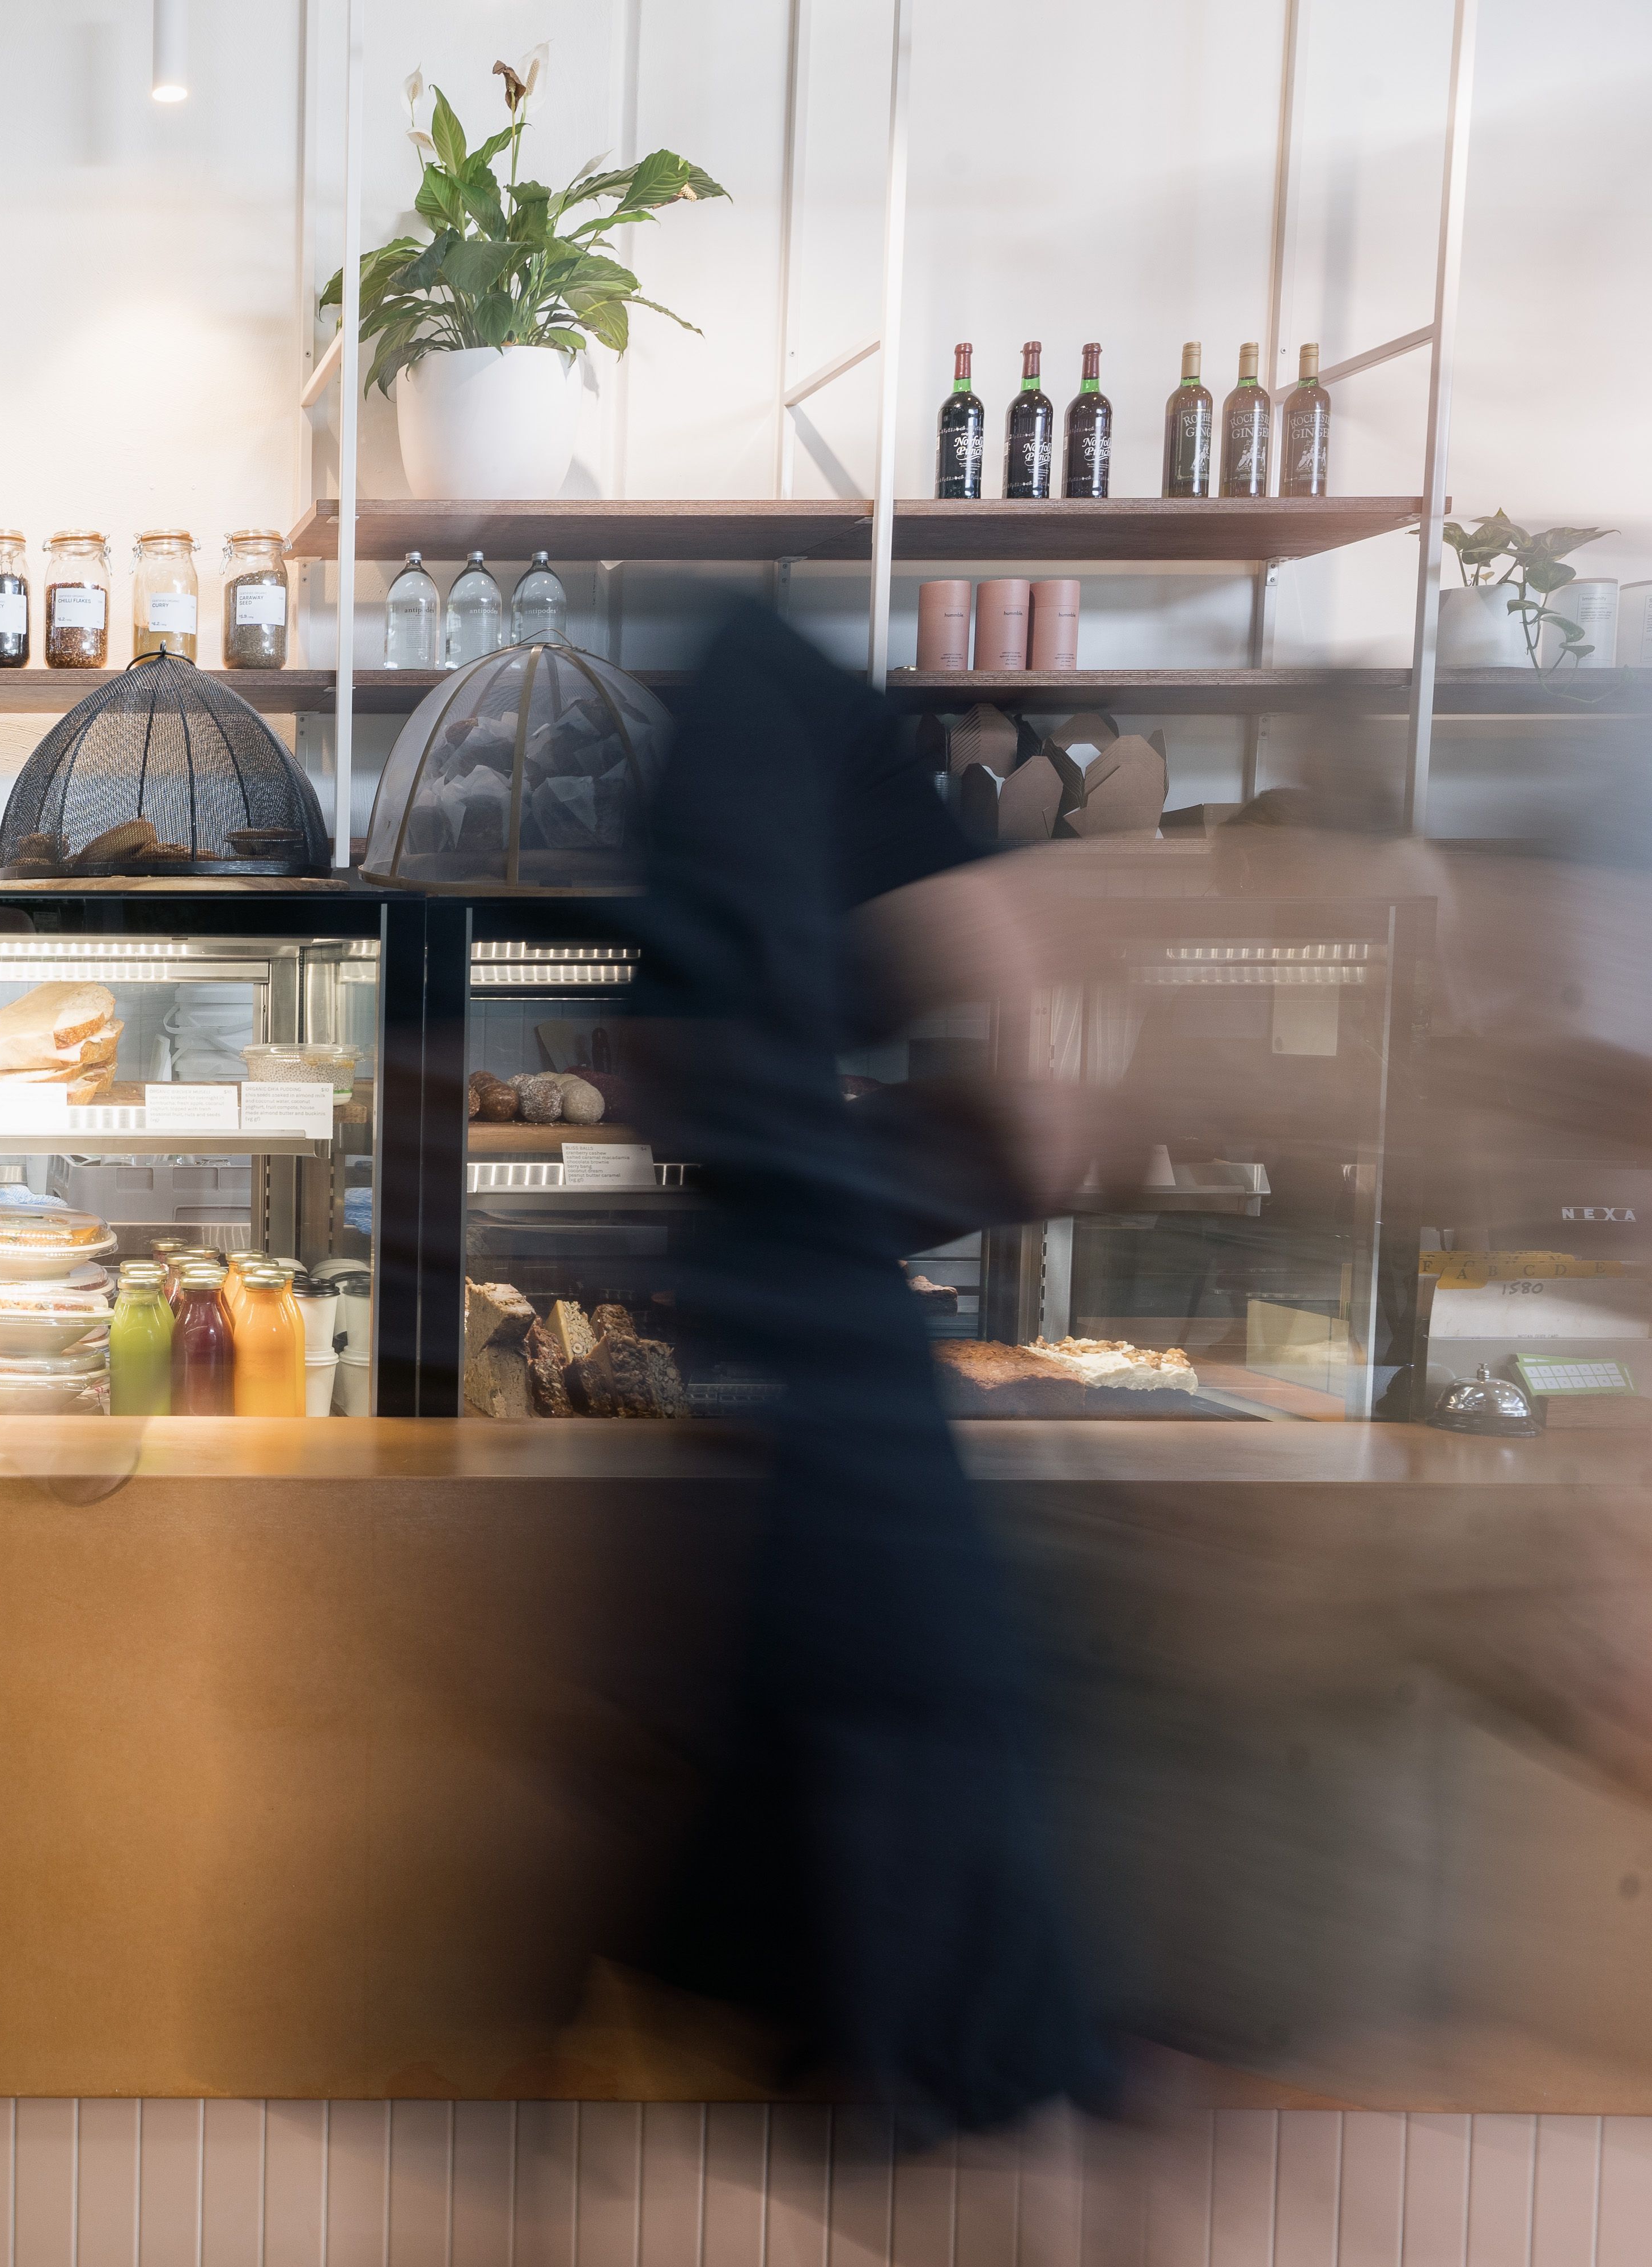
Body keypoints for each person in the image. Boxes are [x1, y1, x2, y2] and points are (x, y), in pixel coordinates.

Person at [617, 602, 1114, 2139]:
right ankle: (896, 2044)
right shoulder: (812, 730)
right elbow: (1024, 1118)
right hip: (814, 1344)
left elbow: (672, 1078)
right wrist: (1021, 1106)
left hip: (779, 1324)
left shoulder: (760, 728)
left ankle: (860, 2035)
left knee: (845, 1752)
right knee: (914, 1750)